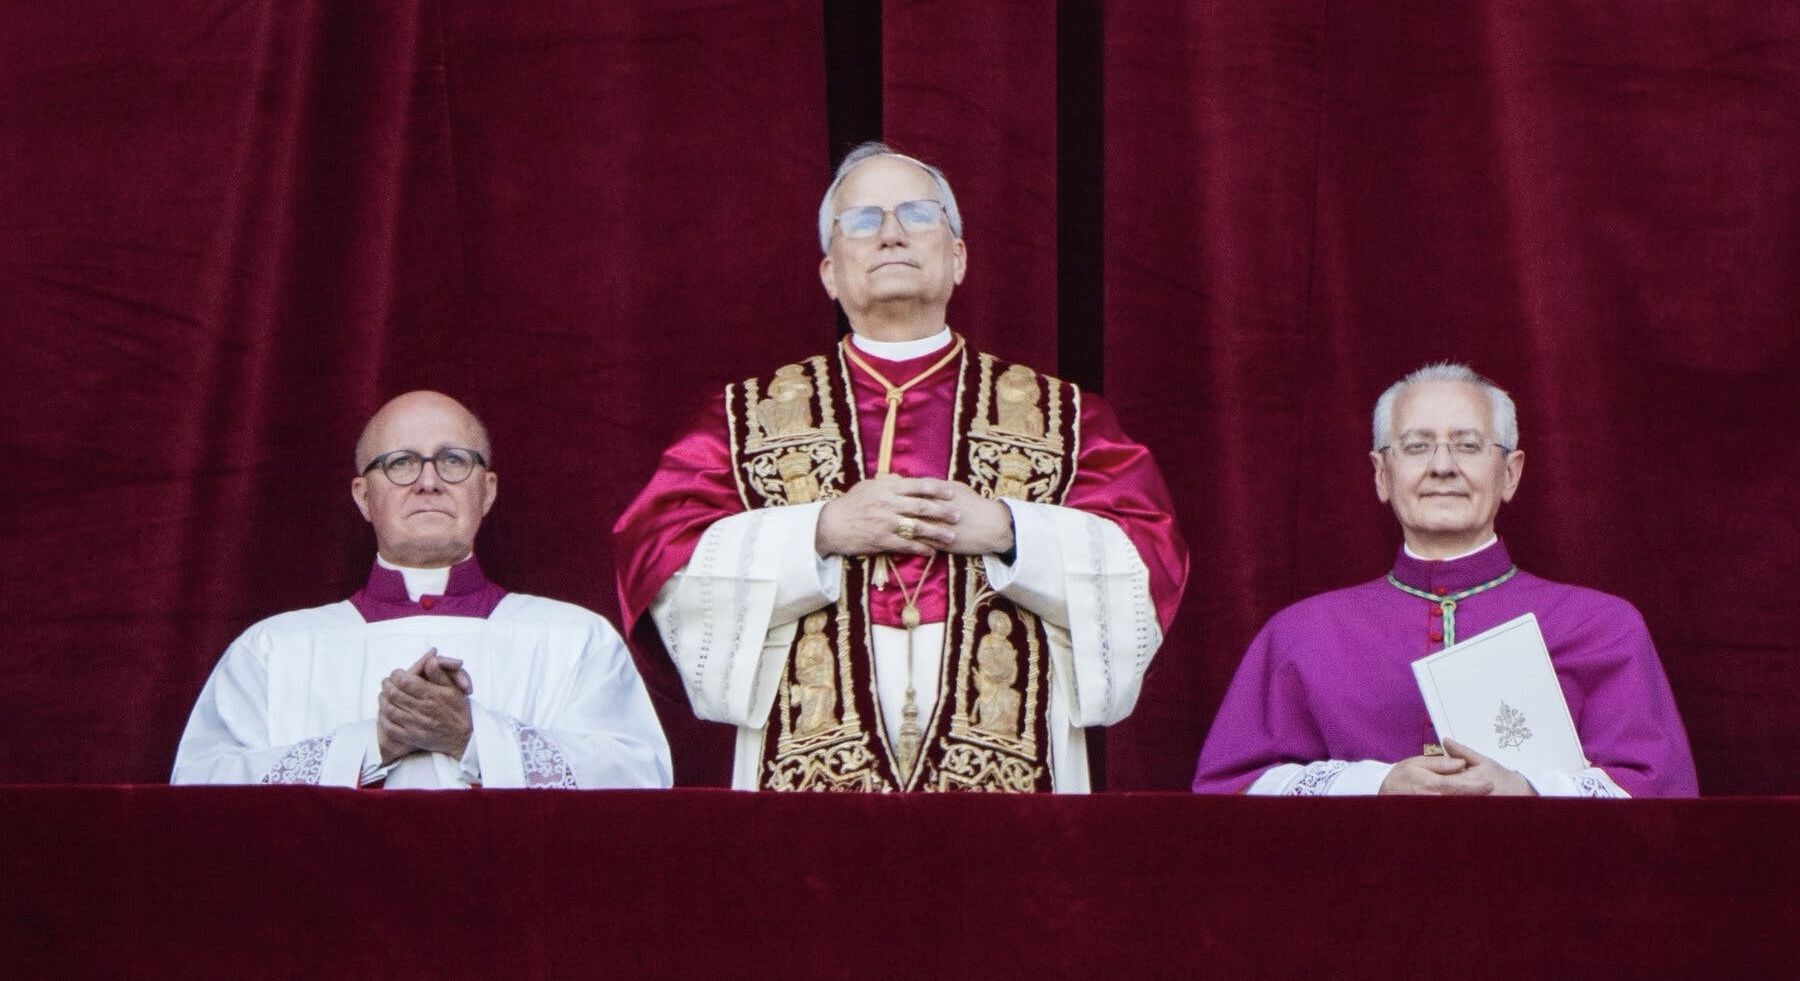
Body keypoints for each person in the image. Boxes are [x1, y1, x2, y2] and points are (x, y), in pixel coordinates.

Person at [614, 143, 1188, 791]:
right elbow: (659, 552)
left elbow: (1149, 558)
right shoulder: (744, 417)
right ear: (830, 272)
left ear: (959, 256)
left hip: (1011, 749)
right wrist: (820, 532)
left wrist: (1009, 530)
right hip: (806, 744)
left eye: (918, 214)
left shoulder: (1064, 415)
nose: (890, 234)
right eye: (862, 220)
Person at [1192, 362, 1697, 797]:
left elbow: (1660, 792)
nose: (1441, 467)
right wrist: (1375, 783)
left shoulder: (1602, 627)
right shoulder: (1299, 634)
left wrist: (1526, 788)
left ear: (1511, 473)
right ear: (1382, 475)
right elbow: (1230, 789)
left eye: (1468, 445)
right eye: (1415, 447)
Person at [173, 390, 671, 789]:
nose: (428, 482)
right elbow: (200, 792)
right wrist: (373, 745)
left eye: (453, 460)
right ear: (364, 497)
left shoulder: (575, 638)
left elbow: (639, 780)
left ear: (488, 491)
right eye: (400, 463)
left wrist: (475, 738)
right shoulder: (273, 649)